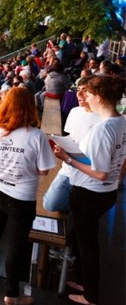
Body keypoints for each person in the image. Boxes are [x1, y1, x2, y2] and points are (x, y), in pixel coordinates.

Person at [0, 87, 56, 305]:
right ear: (30, 107)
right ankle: (12, 294)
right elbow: (44, 171)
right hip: (21, 198)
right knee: (16, 243)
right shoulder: (36, 136)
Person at [52, 75, 126, 305]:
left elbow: (100, 172)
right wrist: (117, 180)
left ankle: (90, 296)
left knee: (88, 245)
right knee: (85, 240)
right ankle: (84, 282)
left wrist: (67, 159)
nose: (83, 97)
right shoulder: (122, 121)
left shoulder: (102, 129)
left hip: (90, 192)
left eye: (88, 93)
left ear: (99, 97)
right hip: (106, 192)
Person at [43, 76, 100, 212]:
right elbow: (71, 136)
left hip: (91, 172)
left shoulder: (104, 117)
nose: (78, 94)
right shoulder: (74, 112)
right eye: (78, 89)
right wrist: (61, 144)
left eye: (84, 90)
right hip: (69, 168)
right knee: (50, 205)